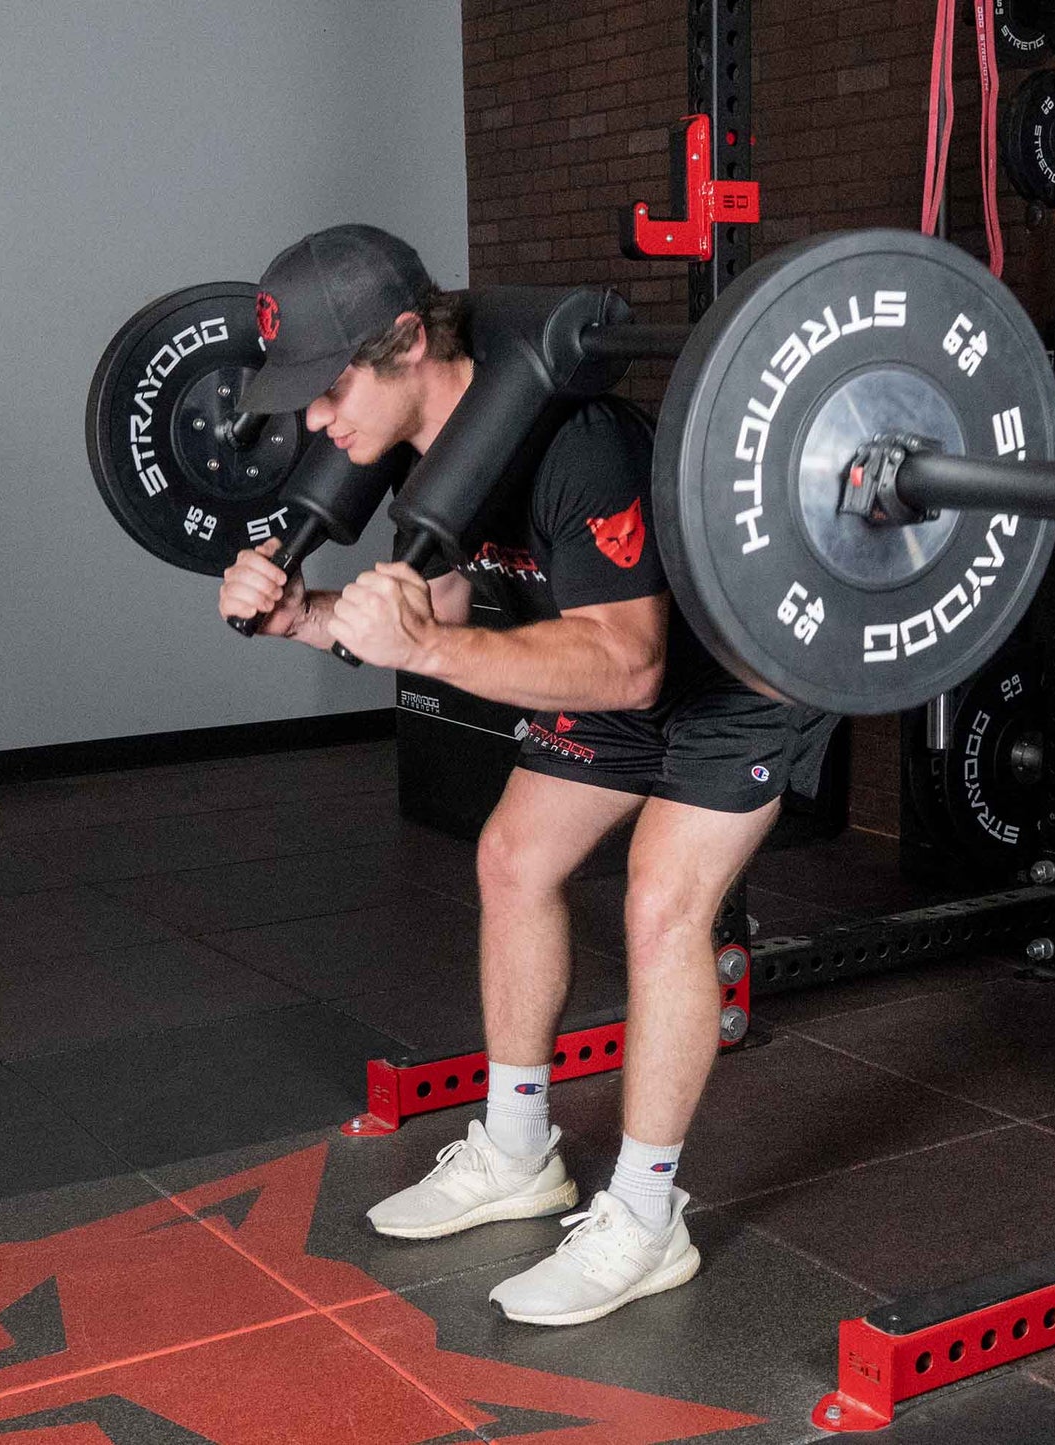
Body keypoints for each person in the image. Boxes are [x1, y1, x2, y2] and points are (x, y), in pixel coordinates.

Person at [220, 224, 837, 1327]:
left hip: (736, 671)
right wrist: (304, 618)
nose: (314, 420)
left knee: (661, 903)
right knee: (511, 857)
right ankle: (517, 1149)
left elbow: (632, 663)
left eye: (329, 385)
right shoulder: (435, 448)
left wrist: (427, 651)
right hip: (608, 661)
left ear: (408, 340)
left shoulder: (578, 442)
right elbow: (450, 608)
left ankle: (645, 1218)